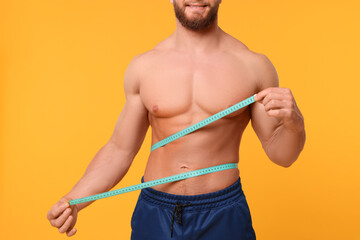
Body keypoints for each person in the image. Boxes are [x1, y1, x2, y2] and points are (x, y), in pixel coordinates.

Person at [46, 0, 306, 238]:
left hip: (223, 212)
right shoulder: (144, 67)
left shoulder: (253, 66)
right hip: (155, 210)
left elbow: (282, 154)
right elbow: (120, 150)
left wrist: (295, 124)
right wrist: (75, 199)